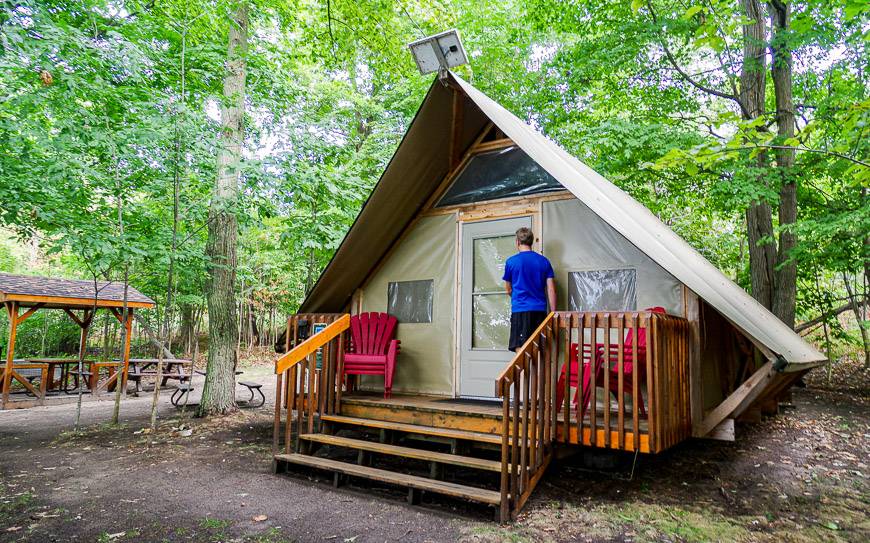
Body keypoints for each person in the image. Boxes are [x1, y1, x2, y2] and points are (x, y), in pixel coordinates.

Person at [502, 227, 557, 352]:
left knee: (521, 351)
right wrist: (553, 313)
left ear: (517, 242)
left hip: (520, 311)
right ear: (531, 242)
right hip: (539, 311)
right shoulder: (544, 261)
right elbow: (551, 290)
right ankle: (537, 373)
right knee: (539, 350)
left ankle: (524, 373)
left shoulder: (511, 262)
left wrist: (518, 298)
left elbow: (508, 290)